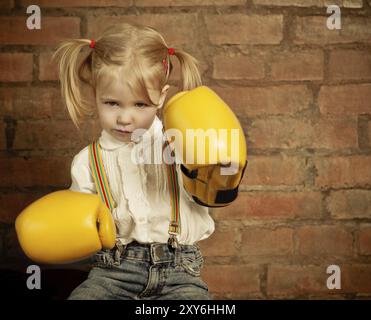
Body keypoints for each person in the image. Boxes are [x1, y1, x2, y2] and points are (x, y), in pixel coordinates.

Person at [52, 22, 215, 300]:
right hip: (112, 273)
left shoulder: (181, 146)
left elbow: (207, 195)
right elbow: (80, 226)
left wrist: (216, 173)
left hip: (180, 273)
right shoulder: (87, 162)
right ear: (96, 96)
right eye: (112, 103)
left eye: (140, 105)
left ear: (161, 97)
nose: (125, 118)